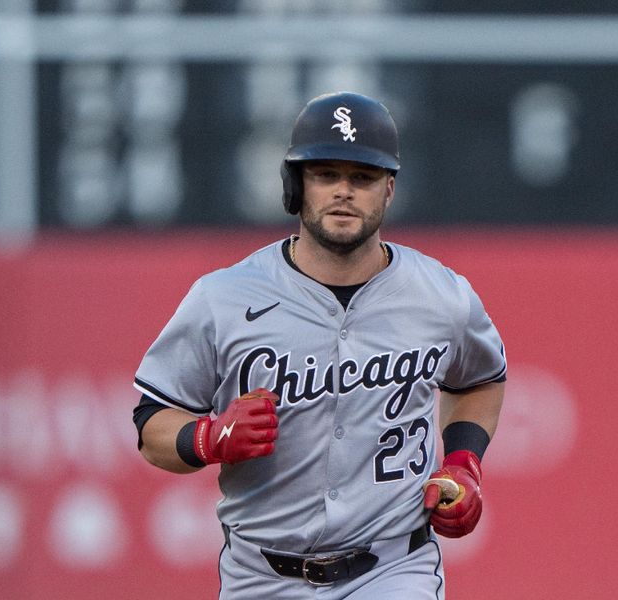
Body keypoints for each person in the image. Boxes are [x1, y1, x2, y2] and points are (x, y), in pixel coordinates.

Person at [132, 91, 507, 599]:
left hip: (394, 567)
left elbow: (480, 380)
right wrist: (207, 438)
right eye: (326, 174)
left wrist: (464, 462)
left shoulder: (441, 296)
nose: (344, 192)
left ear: (389, 189)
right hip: (261, 576)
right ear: (296, 185)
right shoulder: (224, 298)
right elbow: (151, 425)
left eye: (363, 177)